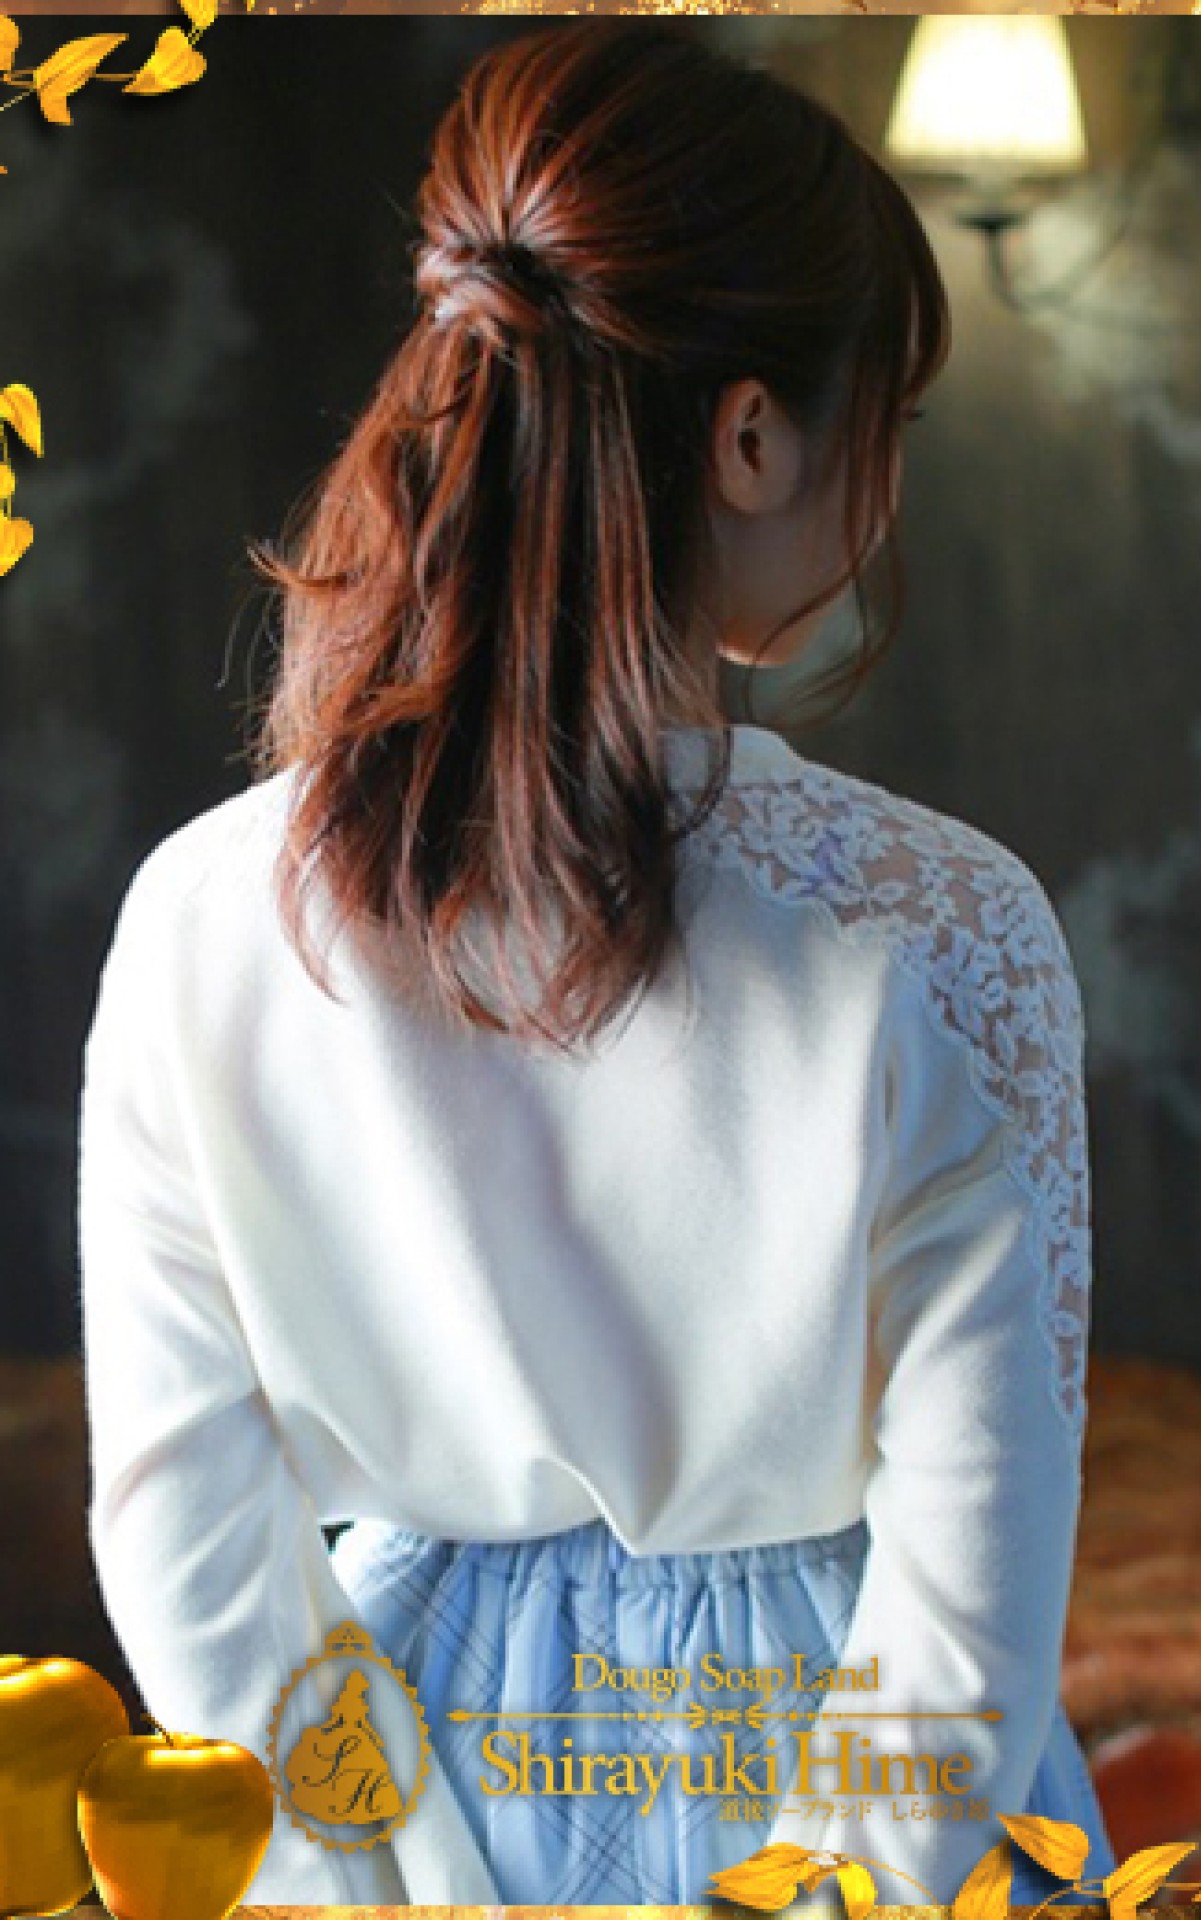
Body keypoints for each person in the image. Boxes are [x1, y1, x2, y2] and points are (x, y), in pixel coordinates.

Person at [78, 18, 1117, 1911]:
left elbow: (191, 1536)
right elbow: (967, 1609)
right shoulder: (941, 927)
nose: (884, 488)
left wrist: (381, 1886)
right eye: (886, 425)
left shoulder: (199, 914)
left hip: (392, 1764)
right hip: (842, 1783)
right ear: (753, 436)